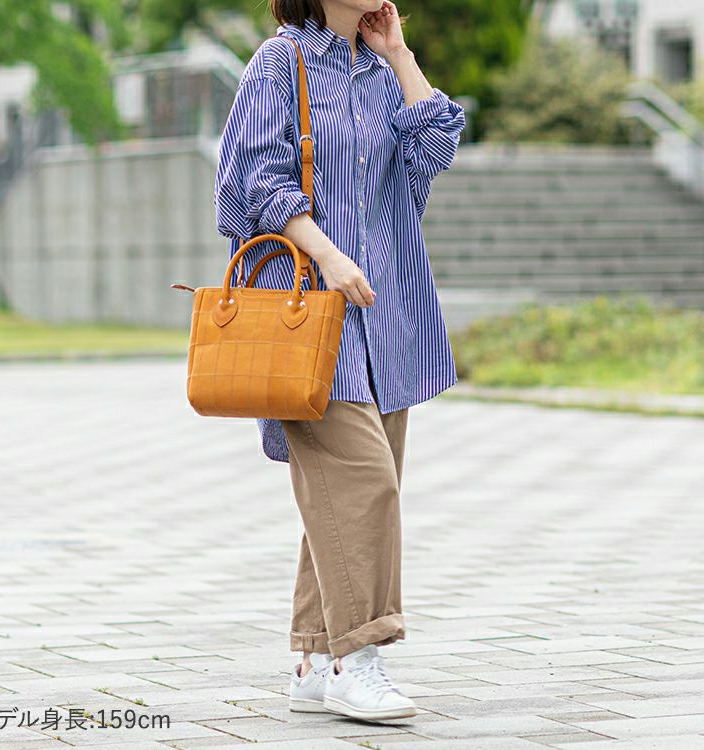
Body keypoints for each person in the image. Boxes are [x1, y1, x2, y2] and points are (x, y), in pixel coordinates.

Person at [213, 0, 465, 722]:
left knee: (345, 495)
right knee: (365, 485)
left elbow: (434, 152)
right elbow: (252, 184)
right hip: (307, 317)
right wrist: (327, 256)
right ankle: (360, 661)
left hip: (386, 321)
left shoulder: (382, 73)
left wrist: (401, 56)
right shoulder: (278, 63)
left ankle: (314, 660)